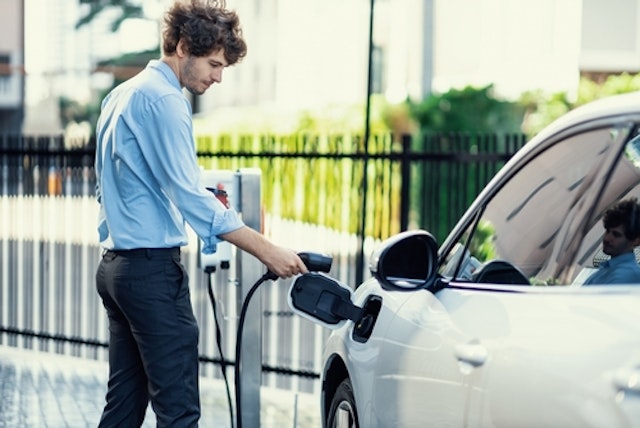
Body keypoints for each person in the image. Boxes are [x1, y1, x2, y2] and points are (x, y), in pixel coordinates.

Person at [94, 1, 308, 426]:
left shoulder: (122, 94)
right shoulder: (164, 101)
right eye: (213, 64)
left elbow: (129, 182)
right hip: (152, 274)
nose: (217, 77)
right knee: (179, 413)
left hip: (117, 270)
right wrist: (267, 250)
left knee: (122, 407)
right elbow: (190, 196)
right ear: (183, 45)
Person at [583, 198, 640, 285]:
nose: (607, 238)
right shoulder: (607, 270)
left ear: (636, 241)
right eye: (607, 231)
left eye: (616, 235)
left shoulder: (626, 275)